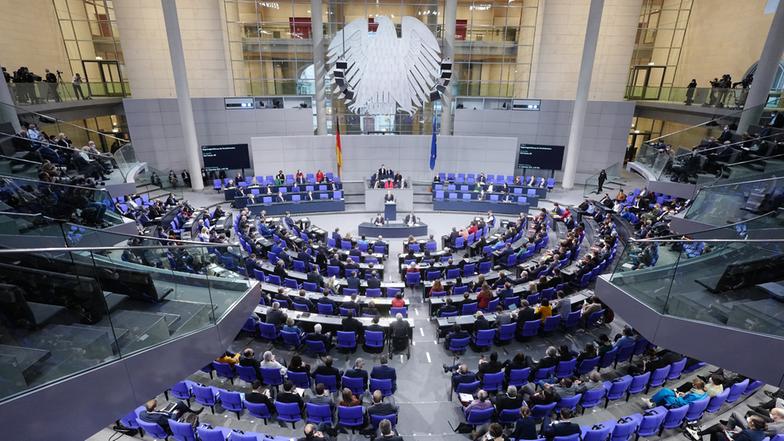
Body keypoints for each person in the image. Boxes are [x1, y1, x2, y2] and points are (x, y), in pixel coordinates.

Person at [138, 398, 203, 435]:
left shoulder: (142, 413)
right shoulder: (159, 418)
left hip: (162, 415)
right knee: (179, 409)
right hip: (168, 425)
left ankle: (193, 412)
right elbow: (171, 421)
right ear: (154, 407)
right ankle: (193, 413)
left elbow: (154, 415)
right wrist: (174, 414)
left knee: (179, 403)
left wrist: (161, 411)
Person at [688, 415, 768, 441]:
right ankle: (697, 434)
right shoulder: (762, 433)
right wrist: (731, 431)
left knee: (718, 431)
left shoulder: (748, 433)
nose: (747, 421)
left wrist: (726, 432)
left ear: (753, 423)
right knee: (719, 427)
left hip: (733, 439)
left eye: (749, 420)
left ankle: (697, 434)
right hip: (737, 436)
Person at [643, 378, 708, 409]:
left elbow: (684, 403)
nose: (692, 384)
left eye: (693, 384)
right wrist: (684, 394)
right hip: (682, 398)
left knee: (666, 395)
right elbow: (689, 398)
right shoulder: (703, 392)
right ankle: (651, 401)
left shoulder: (695, 395)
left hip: (679, 403)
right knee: (665, 390)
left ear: (696, 386)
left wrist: (678, 396)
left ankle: (652, 402)